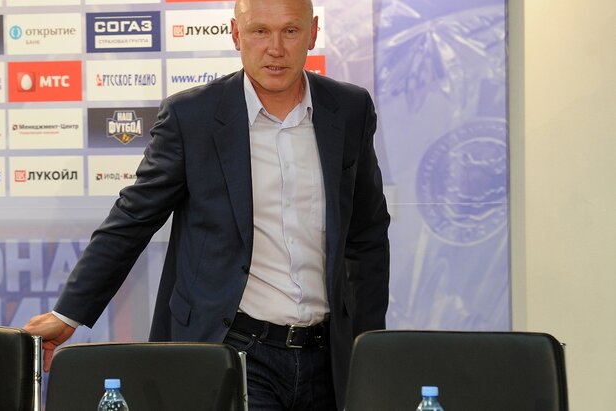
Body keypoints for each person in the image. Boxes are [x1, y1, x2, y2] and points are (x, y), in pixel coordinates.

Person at [24, 0, 390, 409]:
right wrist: (69, 314)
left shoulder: (350, 109)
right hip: (235, 351)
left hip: (328, 358)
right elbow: (132, 219)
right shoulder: (192, 117)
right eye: (260, 31)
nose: (275, 48)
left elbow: (368, 234)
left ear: (313, 32)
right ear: (236, 34)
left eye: (290, 30)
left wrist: (367, 343)